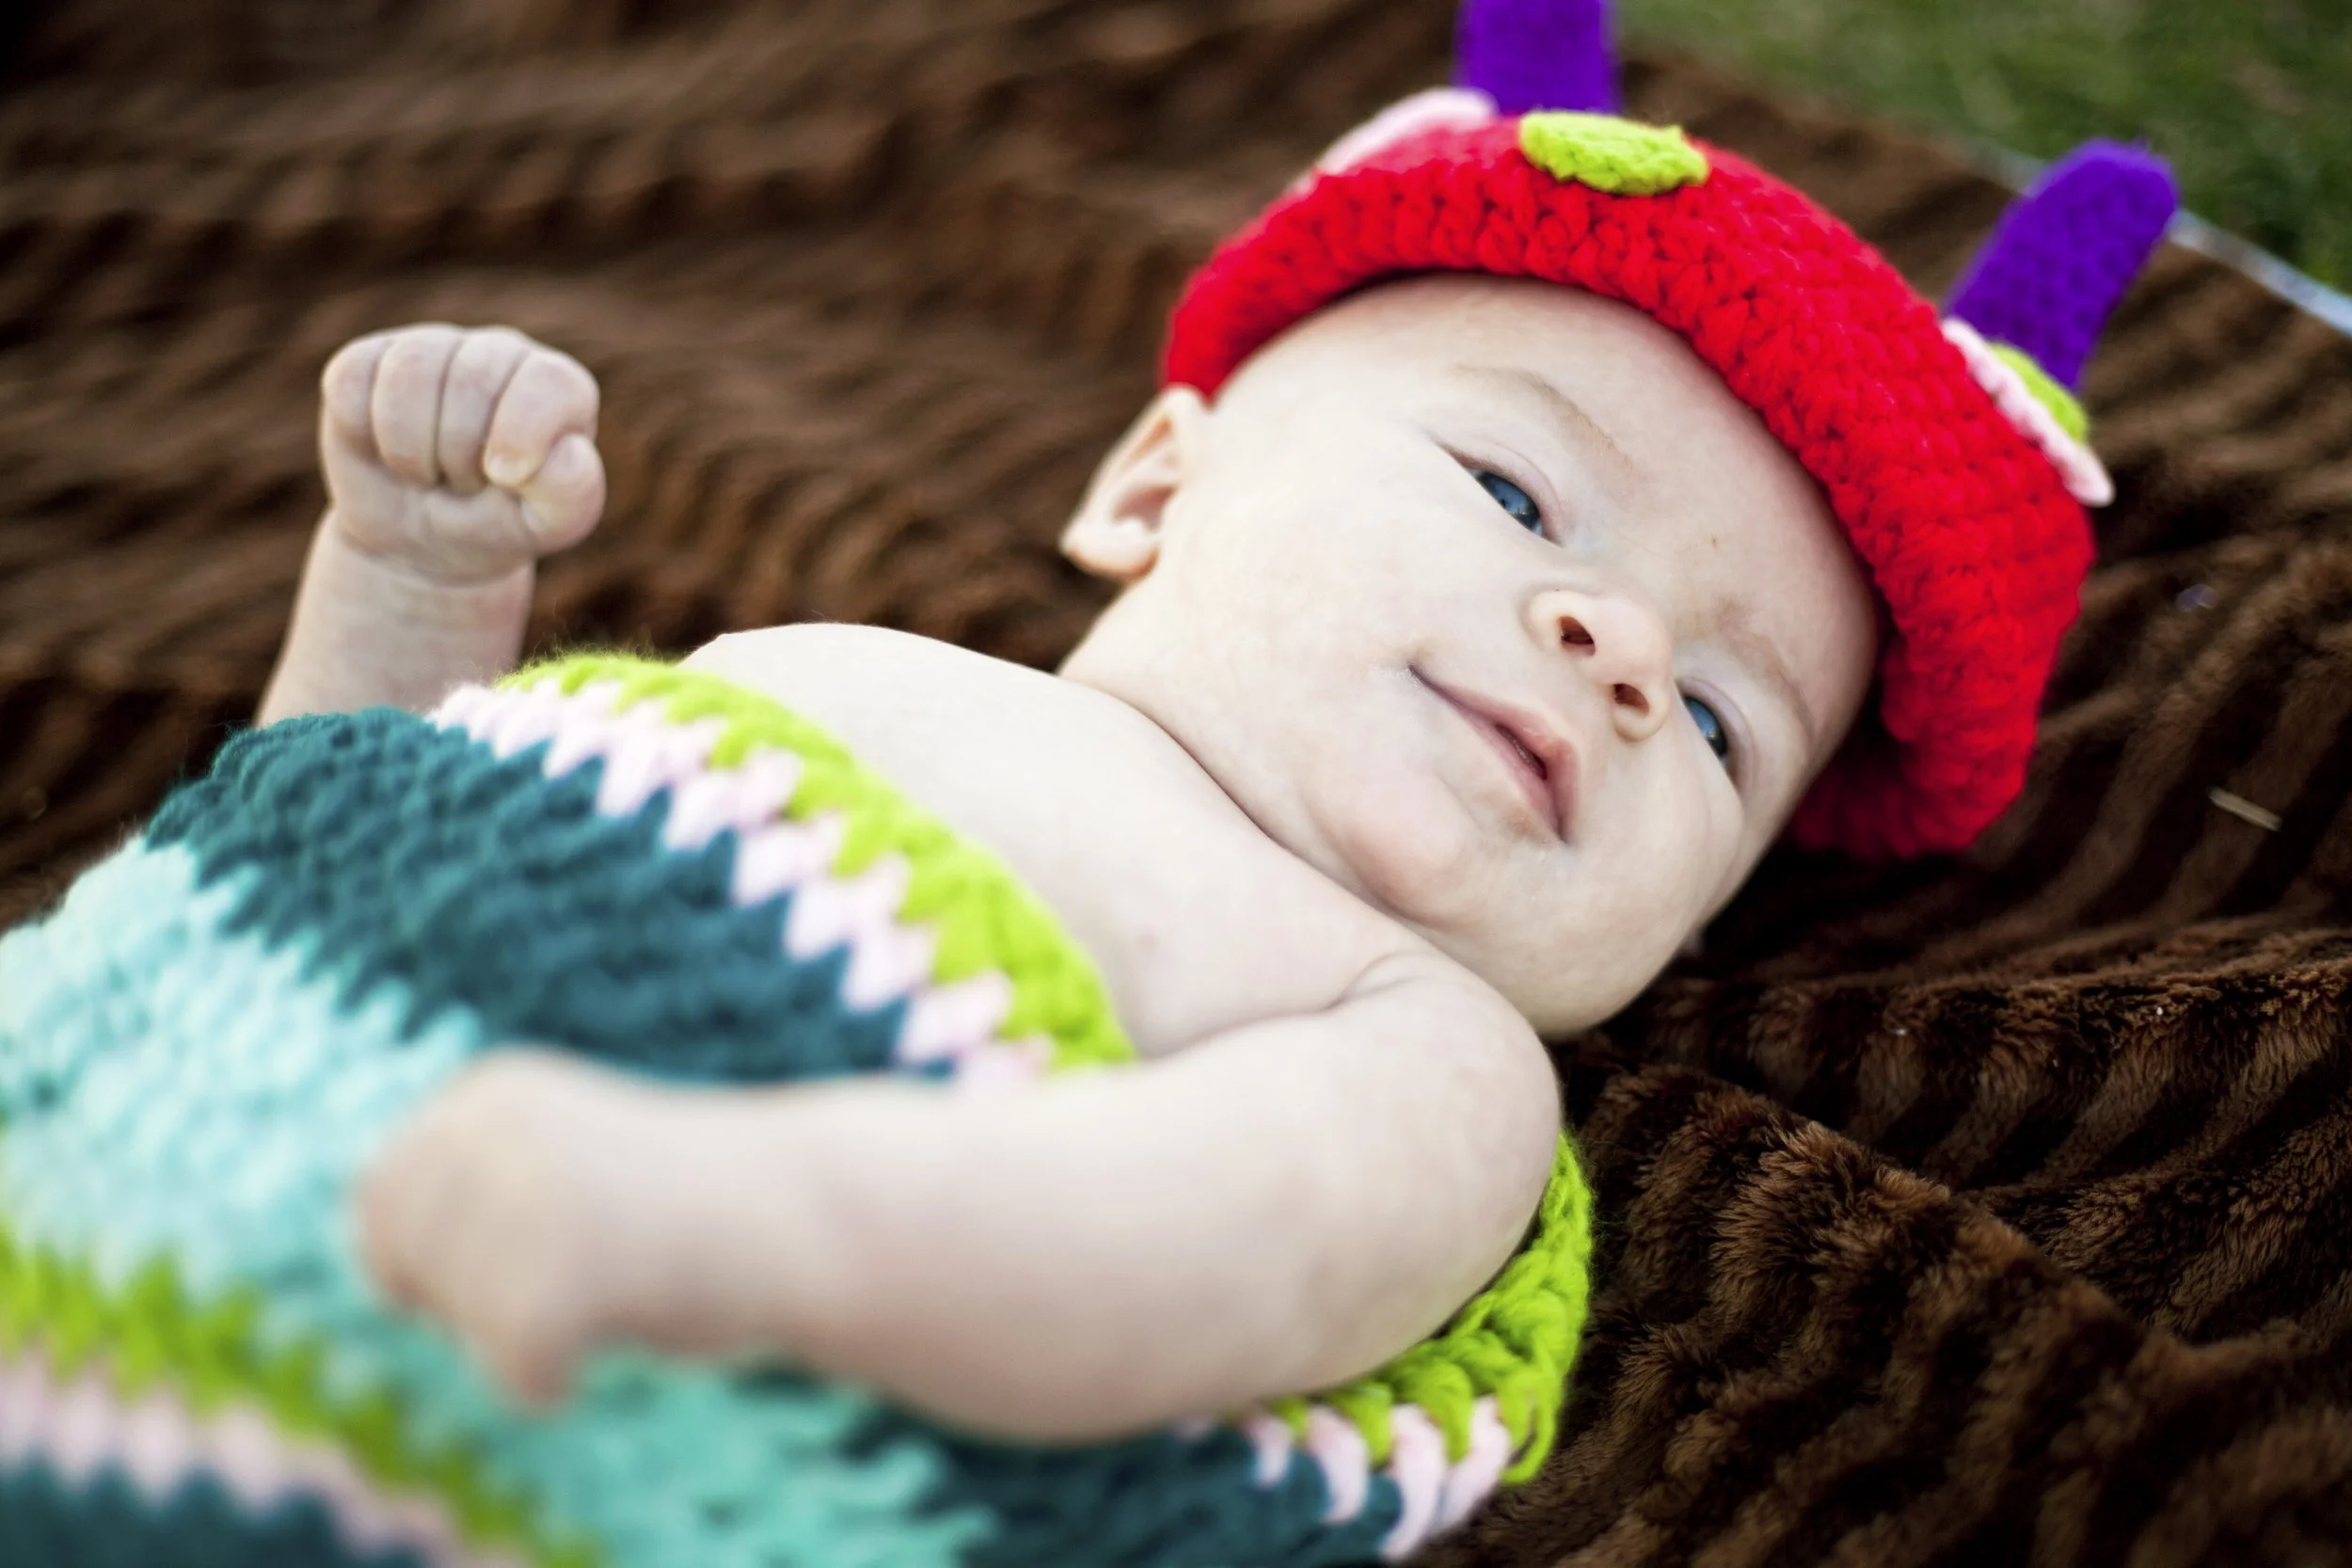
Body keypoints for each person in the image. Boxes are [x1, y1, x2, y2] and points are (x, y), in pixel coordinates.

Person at [257, 9, 2175, 1450]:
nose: (1614, 647)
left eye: (1711, 716)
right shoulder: (815, 657)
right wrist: (415, 579)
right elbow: (307, 865)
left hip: (559, 1381)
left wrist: (737, 1220)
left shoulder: (1429, 1056)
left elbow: (1182, 1255)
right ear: (1155, 491)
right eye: (1514, 496)